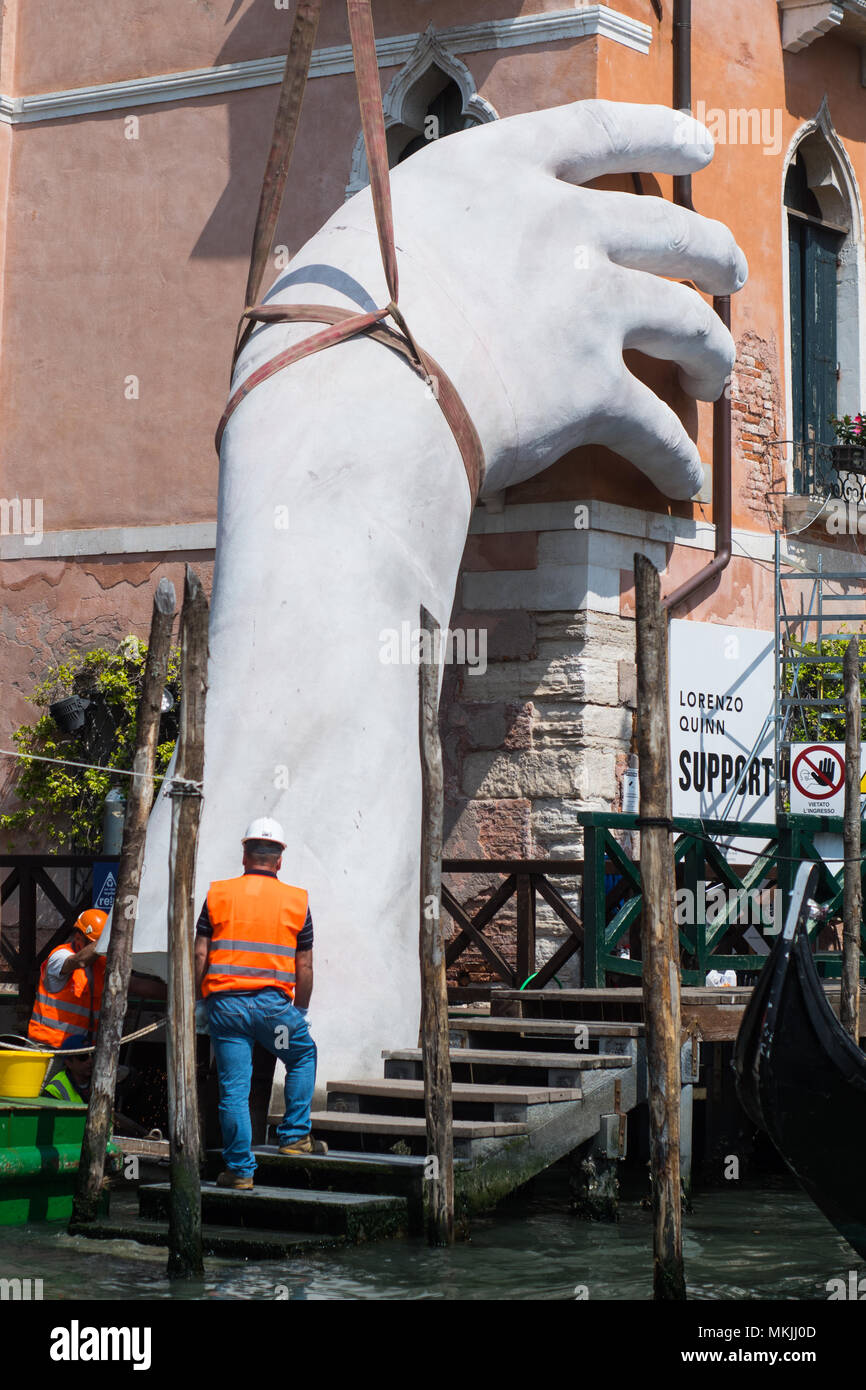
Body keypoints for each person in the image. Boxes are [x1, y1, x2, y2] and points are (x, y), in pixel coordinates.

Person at [195, 818, 326, 1190]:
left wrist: (198, 998)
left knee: (233, 1089)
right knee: (300, 1056)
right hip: (274, 1015)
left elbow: (200, 952)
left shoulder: (218, 894)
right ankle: (295, 1137)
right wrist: (298, 1011)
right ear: (279, 860)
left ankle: (239, 1171)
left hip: (227, 1012)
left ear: (244, 855)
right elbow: (305, 965)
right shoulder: (297, 900)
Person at [29, 908, 109, 1052]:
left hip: (80, 1053)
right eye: (93, 943)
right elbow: (78, 962)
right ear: (78, 937)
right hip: (47, 1048)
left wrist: (162, 990)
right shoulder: (59, 956)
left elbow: (133, 984)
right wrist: (106, 938)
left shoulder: (101, 963)